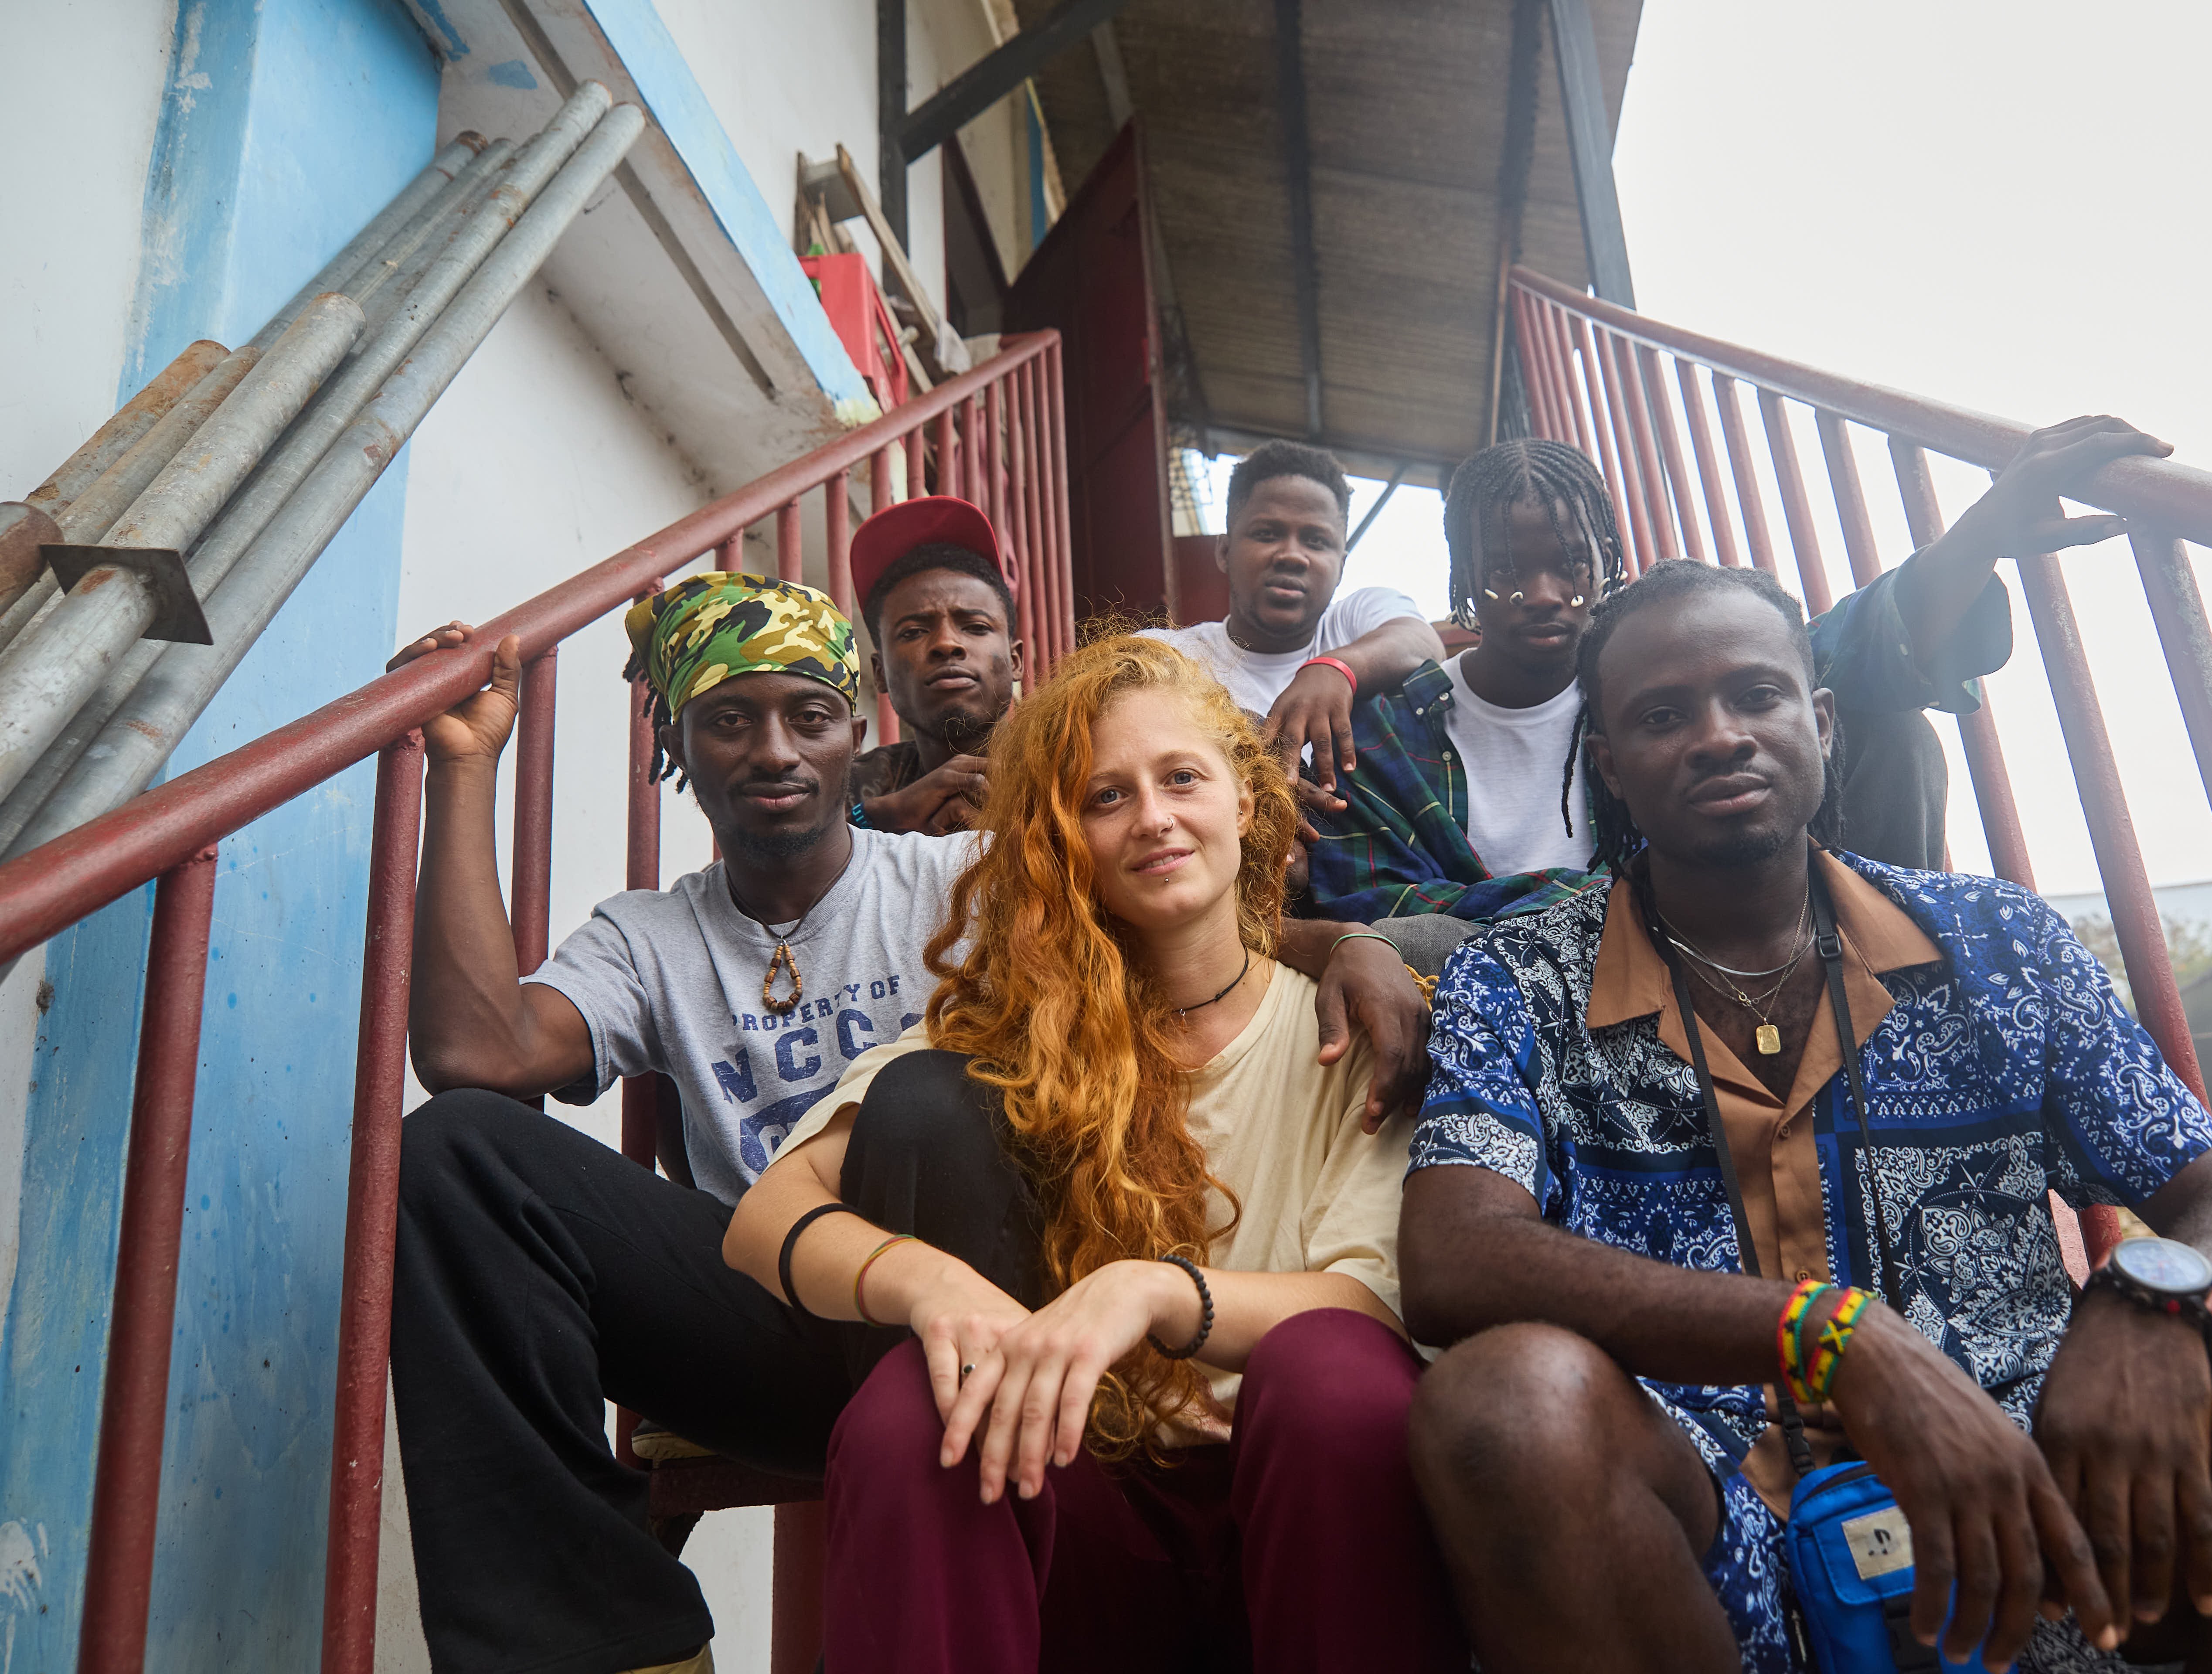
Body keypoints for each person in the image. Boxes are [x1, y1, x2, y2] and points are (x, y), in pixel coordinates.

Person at [1395, 555, 2212, 1674]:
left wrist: (2154, 1301)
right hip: (1716, 1538)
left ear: (1822, 722)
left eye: (1757, 694)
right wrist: (1825, 1332)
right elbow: (1455, 1255)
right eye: (1661, 714)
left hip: (2042, 1485)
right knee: (1504, 1402)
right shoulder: (1520, 977)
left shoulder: (1998, 940)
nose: (1720, 734)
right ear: (1608, 767)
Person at [386, 573, 1426, 1674]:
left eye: (808, 715)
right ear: (678, 750)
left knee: (937, 1111)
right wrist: (461, 770)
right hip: (844, 1302)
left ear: (856, 734)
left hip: (1017, 1342)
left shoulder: (966, 880)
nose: (773, 750)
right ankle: (602, 1642)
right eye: (728, 721)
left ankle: (974, 1441)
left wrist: (1349, 948)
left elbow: (1173, 899)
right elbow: (475, 1055)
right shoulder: (649, 936)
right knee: (459, 1150)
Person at [725, 636, 1468, 1673]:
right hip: (1089, 1519)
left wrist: (1157, 1290)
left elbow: (1379, 1300)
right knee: (915, 1404)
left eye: (1180, 778)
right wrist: (933, 1285)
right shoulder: (1007, 1033)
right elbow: (764, 1216)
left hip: (1303, 1515)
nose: (1153, 817)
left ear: (1245, 803)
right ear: (1062, 838)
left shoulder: (1346, 1028)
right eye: (1105, 796)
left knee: (1334, 1372)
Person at [1303, 423, 2154, 927]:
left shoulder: (1654, 686)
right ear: (1458, 573)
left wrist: (1982, 533)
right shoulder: (1393, 731)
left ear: (1609, 557)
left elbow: (1837, 647)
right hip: (1506, 1016)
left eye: (1572, 566)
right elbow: (1370, 911)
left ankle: (1902, 985)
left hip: (1700, 972)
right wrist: (1618, 905)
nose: (1543, 597)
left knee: (1890, 731)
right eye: (1503, 573)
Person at [1141, 439, 1446, 798]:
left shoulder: (1353, 622)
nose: (1292, 556)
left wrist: (1337, 669)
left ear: (1342, 565)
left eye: (1316, 541)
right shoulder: (1167, 653)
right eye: (1267, 534)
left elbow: (1424, 644)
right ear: (1224, 551)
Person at [845, 494, 1019, 836]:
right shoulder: (851, 786)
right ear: (880, 673)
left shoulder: (1079, 763)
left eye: (975, 627)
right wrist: (876, 820)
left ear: (1017, 662)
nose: (946, 644)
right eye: (913, 632)